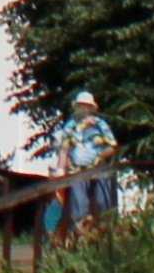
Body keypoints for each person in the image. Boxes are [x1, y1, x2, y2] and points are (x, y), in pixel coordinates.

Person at [50, 92, 120, 235]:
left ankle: (104, 232)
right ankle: (80, 234)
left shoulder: (101, 125)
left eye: (87, 106)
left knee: (103, 202)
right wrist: (63, 166)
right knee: (79, 204)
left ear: (92, 108)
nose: (83, 109)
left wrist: (100, 157)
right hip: (77, 169)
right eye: (81, 106)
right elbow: (64, 147)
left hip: (99, 168)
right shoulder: (70, 125)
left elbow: (113, 146)